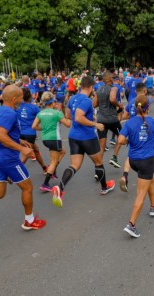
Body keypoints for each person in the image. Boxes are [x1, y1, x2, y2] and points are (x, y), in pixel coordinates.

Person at [52, 76, 115, 208]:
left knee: (74, 165)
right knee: (98, 162)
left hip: (74, 136)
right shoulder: (86, 100)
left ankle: (60, 188)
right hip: (87, 137)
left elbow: (69, 116)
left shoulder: (72, 98)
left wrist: (88, 116)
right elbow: (79, 117)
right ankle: (104, 187)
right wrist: (95, 124)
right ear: (91, 87)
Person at [0, 85, 46, 230]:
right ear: (15, 99)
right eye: (21, 98)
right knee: (27, 187)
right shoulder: (9, 113)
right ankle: (29, 221)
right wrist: (22, 149)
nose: (22, 101)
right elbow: (0, 135)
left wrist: (20, 140)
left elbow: (1, 133)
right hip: (8, 159)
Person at [118, 95, 154, 238]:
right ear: (148, 108)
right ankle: (131, 224)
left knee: (150, 178)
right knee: (140, 193)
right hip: (146, 161)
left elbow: (120, 140)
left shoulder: (130, 122)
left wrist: (130, 142)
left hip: (133, 161)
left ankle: (153, 206)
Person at [32, 92, 71, 192]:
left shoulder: (40, 113)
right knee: (53, 161)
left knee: (63, 152)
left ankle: (52, 170)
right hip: (54, 139)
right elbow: (68, 125)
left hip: (45, 139)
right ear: (52, 102)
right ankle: (45, 183)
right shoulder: (56, 112)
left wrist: (43, 129)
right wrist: (67, 117)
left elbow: (34, 126)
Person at [95, 72, 122, 169]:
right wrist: (119, 105)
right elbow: (112, 99)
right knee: (122, 136)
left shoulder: (98, 89)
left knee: (101, 146)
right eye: (112, 78)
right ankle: (114, 157)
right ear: (110, 79)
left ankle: (98, 169)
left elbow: (94, 104)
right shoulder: (113, 88)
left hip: (101, 119)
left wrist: (102, 103)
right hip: (112, 119)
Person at [16, 87, 48, 171]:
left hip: (20, 133)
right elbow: (42, 118)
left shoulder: (17, 107)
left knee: (36, 150)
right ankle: (14, 172)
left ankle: (44, 168)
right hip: (30, 134)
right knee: (26, 154)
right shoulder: (34, 107)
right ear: (30, 96)